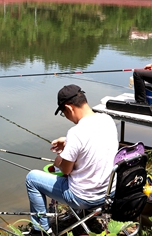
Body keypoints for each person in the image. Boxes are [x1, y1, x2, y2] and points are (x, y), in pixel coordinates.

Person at [24, 84, 118, 235]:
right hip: (108, 193)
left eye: (63, 113)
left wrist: (61, 155)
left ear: (69, 108)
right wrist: (68, 143)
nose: (66, 117)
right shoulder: (107, 120)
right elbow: (93, 142)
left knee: (32, 178)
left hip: (84, 198)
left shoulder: (76, 132)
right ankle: (77, 215)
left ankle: (40, 230)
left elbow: (65, 170)